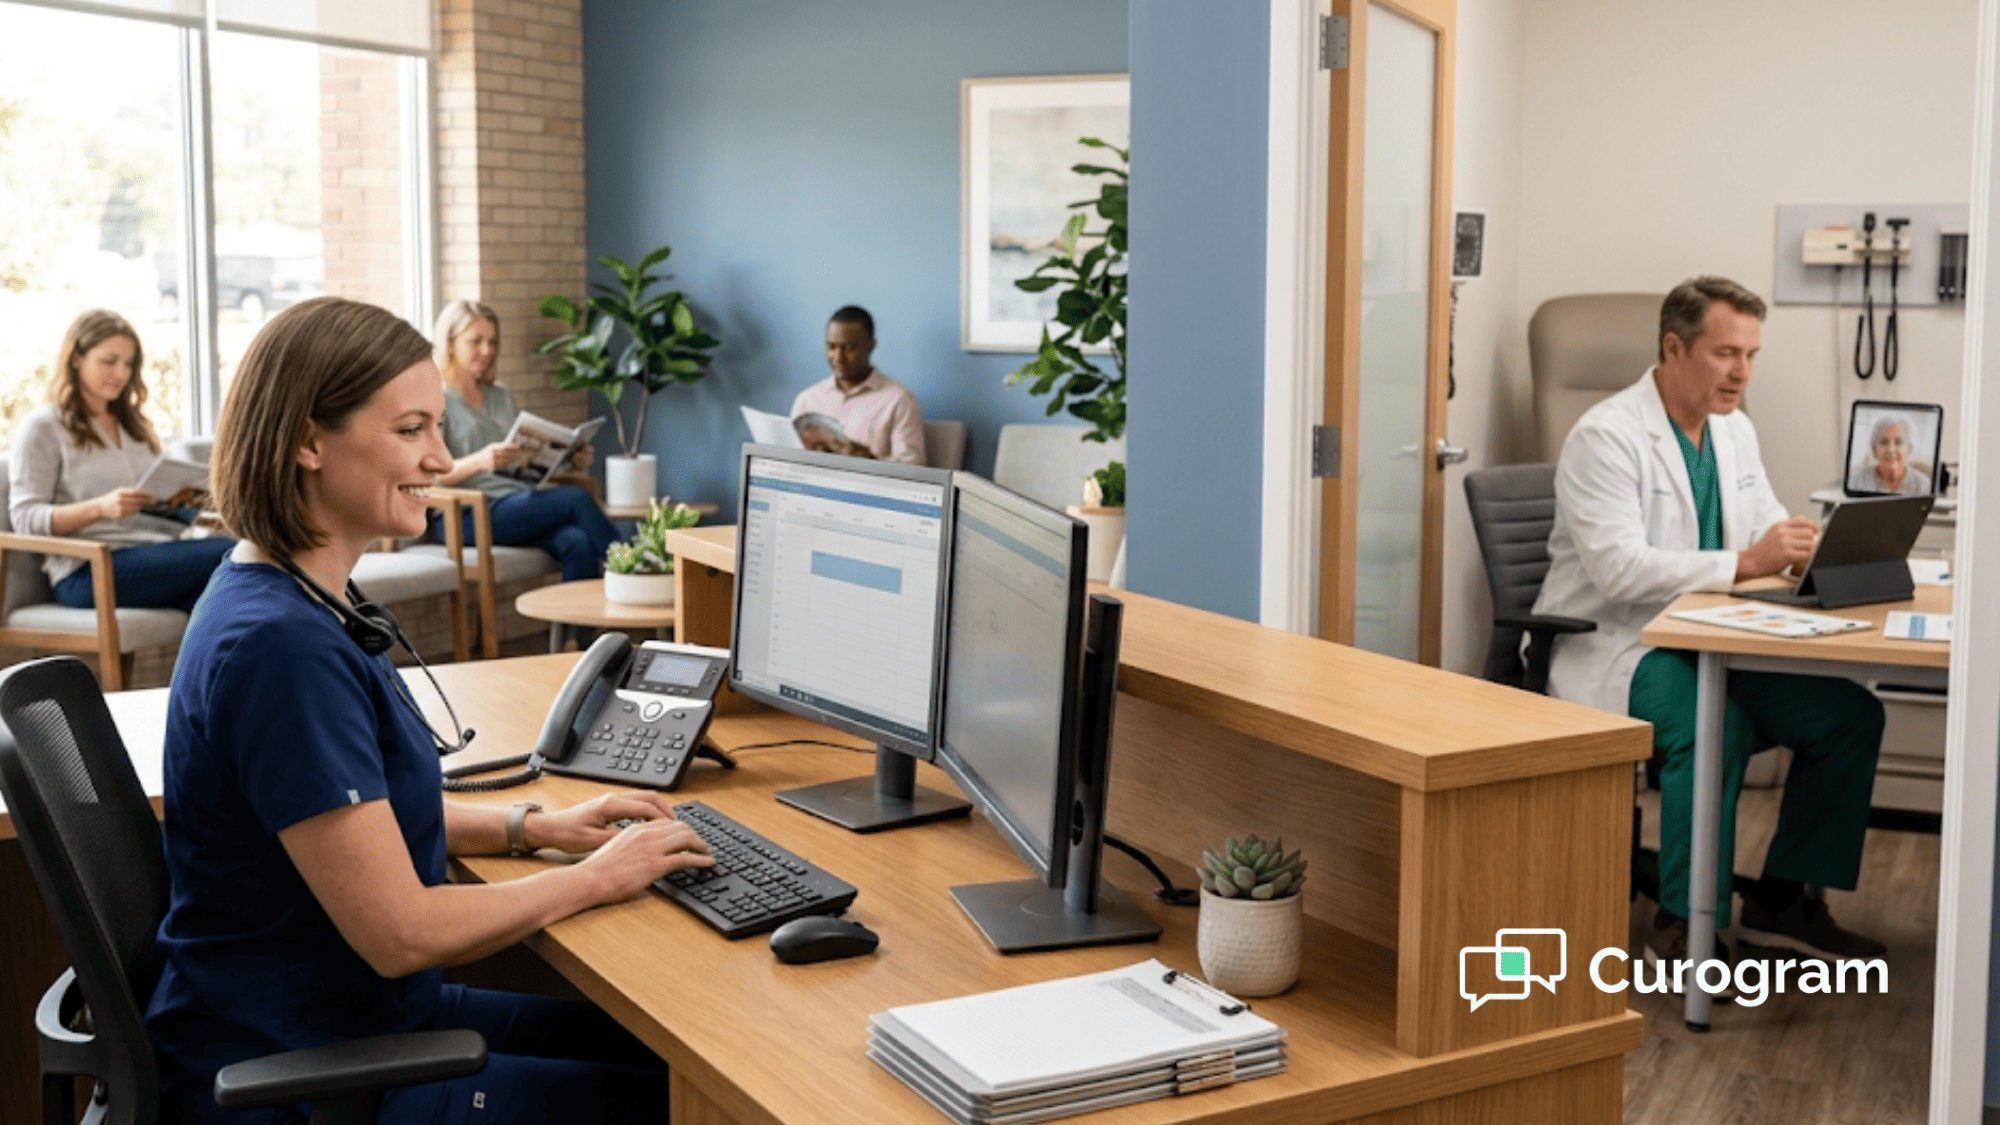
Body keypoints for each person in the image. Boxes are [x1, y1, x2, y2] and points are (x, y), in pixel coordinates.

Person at [145, 297, 714, 1124]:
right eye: (412, 430)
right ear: (307, 440)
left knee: (663, 1056)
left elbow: (352, 824)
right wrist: (597, 879)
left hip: (355, 1017)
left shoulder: (287, 593)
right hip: (306, 1067)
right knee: (684, 1103)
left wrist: (533, 827)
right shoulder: (280, 648)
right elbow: (400, 929)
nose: (445, 460)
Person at [1532, 276, 1887, 968]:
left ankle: (1783, 898)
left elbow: (1759, 528)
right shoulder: (1604, 436)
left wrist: (1801, 554)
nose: (1742, 372)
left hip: (1713, 635)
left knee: (1849, 718)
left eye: (1751, 355)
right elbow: (1620, 571)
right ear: (1674, 346)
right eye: (1727, 353)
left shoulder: (1733, 428)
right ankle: (1682, 923)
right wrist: (1749, 559)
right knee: (1713, 727)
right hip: (1621, 644)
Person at [7, 308, 232, 612]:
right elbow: (25, 518)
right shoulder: (43, 427)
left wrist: (195, 503)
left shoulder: (134, 427)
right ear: (76, 358)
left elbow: (161, 504)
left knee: (242, 607)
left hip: (156, 556)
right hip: (89, 570)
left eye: (128, 364)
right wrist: (100, 508)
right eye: (109, 361)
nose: (121, 374)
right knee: (237, 553)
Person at [431, 299, 620, 583]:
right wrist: (479, 462)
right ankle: (636, 568)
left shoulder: (501, 396)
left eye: (492, 342)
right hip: (467, 515)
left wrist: (566, 458)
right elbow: (429, 477)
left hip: (515, 503)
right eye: (476, 341)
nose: (487, 351)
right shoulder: (436, 400)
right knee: (576, 499)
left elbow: (522, 460)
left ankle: (573, 629)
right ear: (449, 343)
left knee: (576, 542)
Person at [790, 305, 928, 464]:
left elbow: (914, 468)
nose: (838, 357)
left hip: (868, 487)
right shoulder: (807, 399)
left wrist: (871, 461)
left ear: (871, 346)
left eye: (849, 348)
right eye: (831, 347)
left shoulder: (899, 400)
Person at [1847, 414, 1933, 495]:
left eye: (1898, 442)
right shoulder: (1858, 481)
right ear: (1874, 449)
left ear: (1909, 448)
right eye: (1884, 442)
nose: (1891, 450)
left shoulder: (1923, 485)